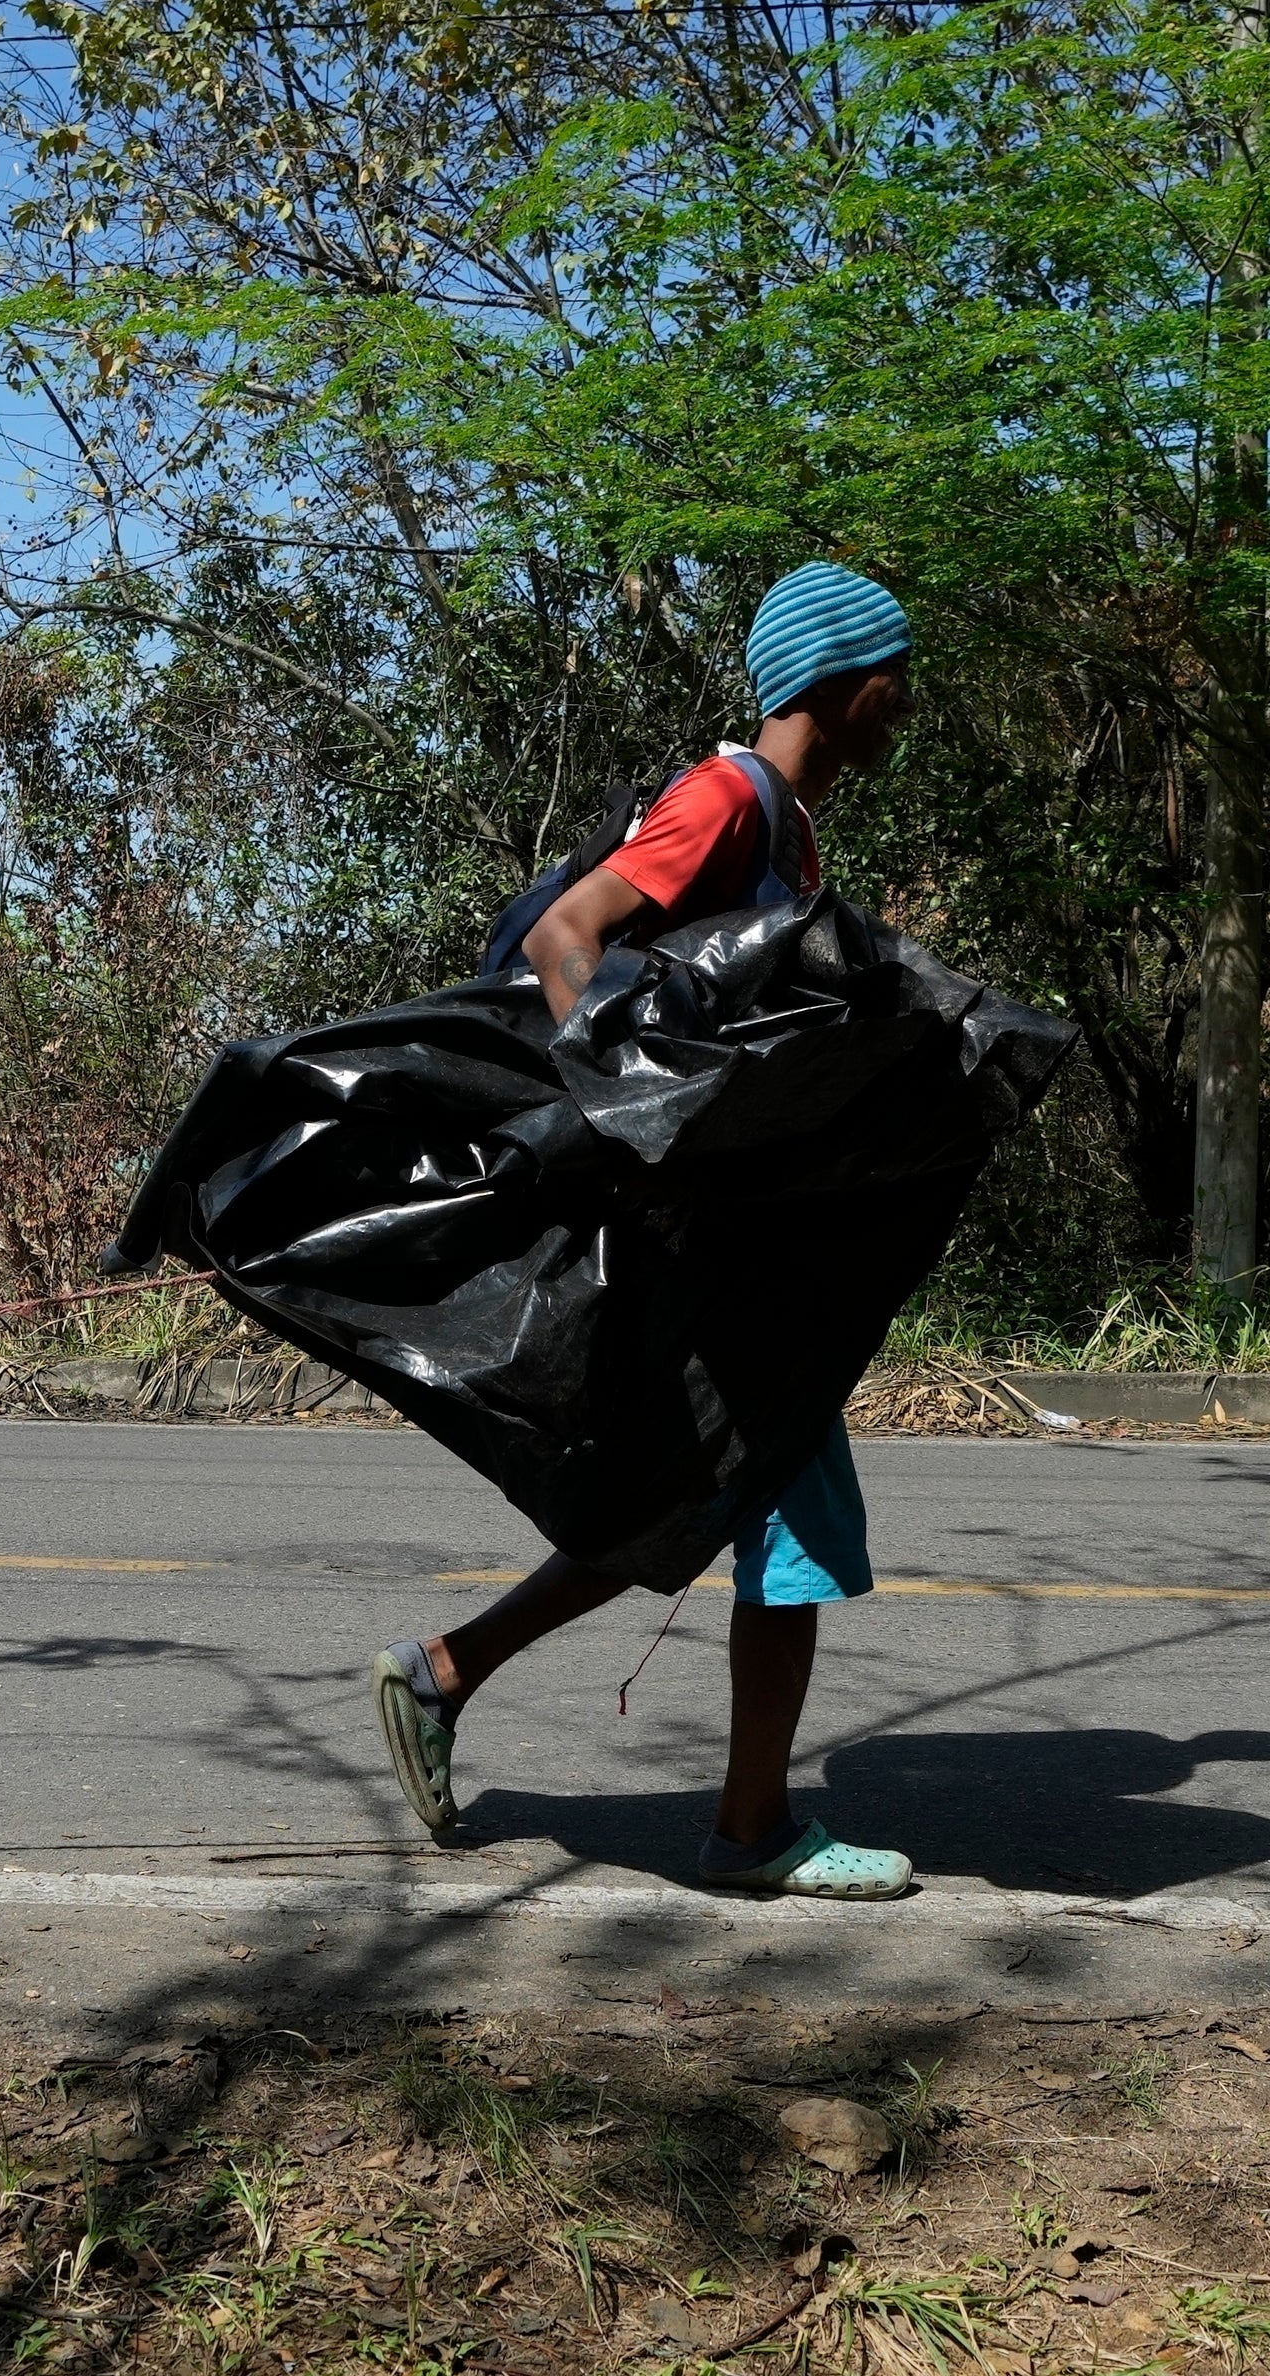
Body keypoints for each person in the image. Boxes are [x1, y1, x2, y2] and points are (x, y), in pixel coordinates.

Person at [368, 560, 923, 1900]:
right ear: (846, 686)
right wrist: (640, 1138)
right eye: (895, 679)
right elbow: (573, 933)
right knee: (780, 1506)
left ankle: (443, 1672)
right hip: (700, 1232)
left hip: (735, 1233)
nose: (905, 706)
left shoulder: (781, 825)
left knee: (694, 1492)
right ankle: (747, 1831)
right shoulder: (726, 798)